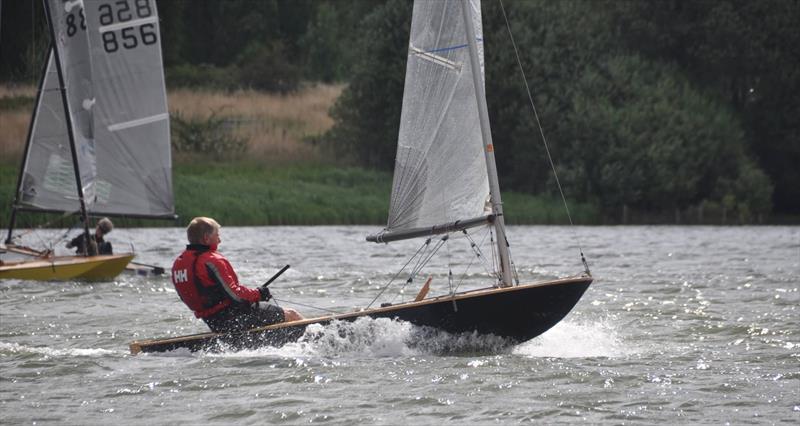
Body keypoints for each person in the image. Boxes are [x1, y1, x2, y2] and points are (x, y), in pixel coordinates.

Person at [171, 217, 303, 333]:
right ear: (206, 238)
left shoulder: (178, 264)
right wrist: (259, 294)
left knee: (275, 315)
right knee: (291, 314)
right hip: (234, 318)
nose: (220, 240)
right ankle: (314, 336)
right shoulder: (212, 260)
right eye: (217, 236)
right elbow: (235, 296)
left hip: (212, 322)